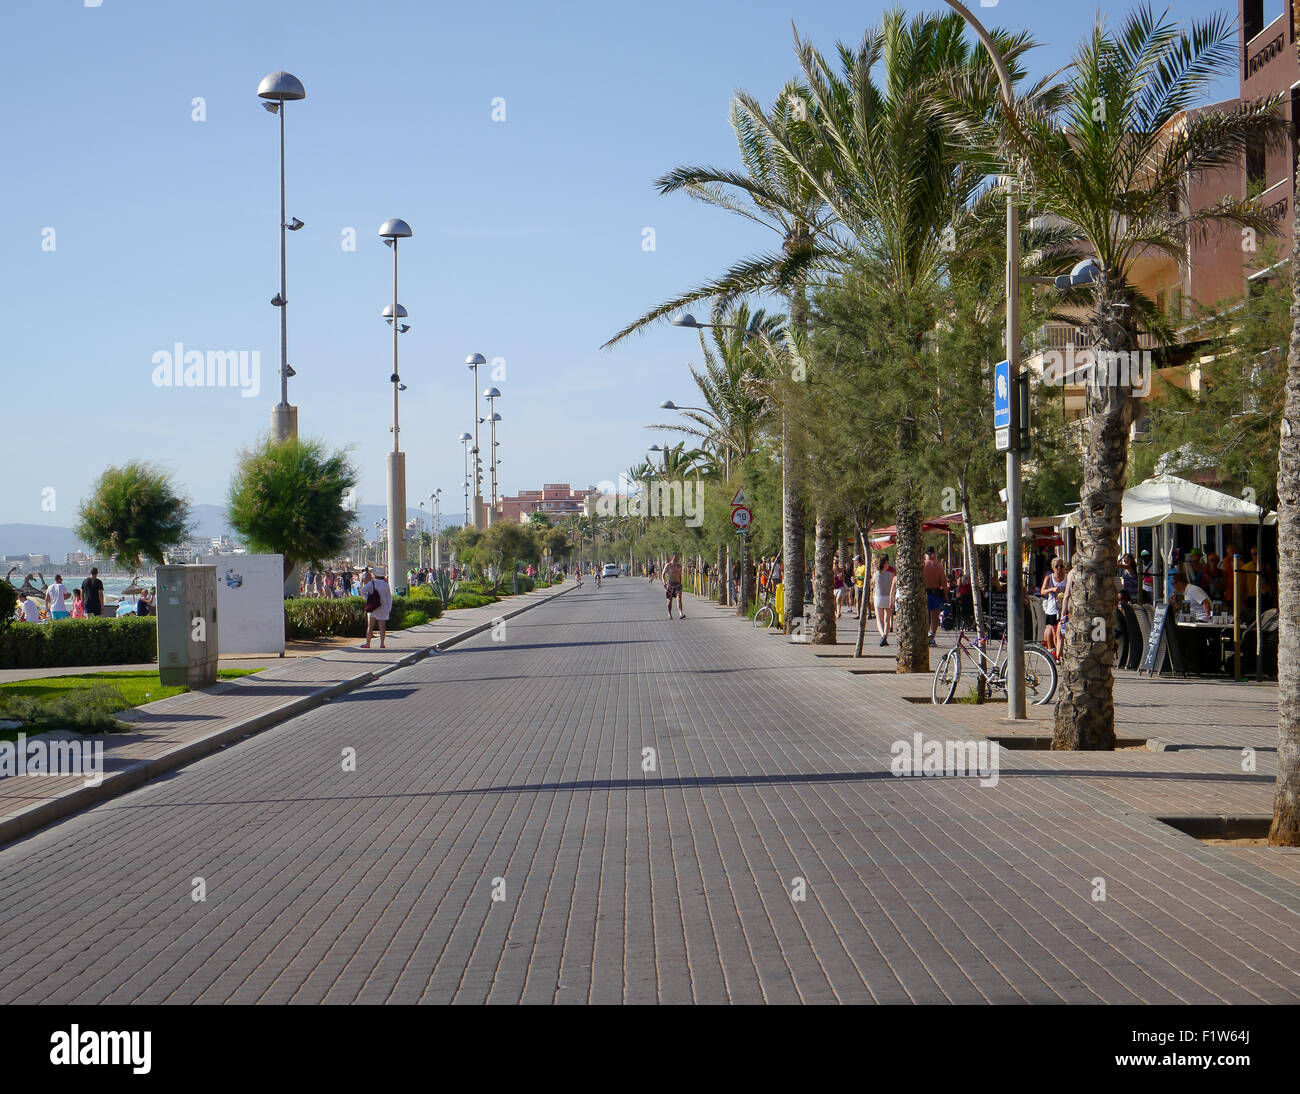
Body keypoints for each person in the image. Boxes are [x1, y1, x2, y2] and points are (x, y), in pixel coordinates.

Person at [1040, 557, 1068, 659]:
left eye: (1061, 566)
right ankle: (1054, 653)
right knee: (1053, 631)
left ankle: (1059, 655)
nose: (1059, 568)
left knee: (1059, 633)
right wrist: (1052, 589)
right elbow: (1042, 591)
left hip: (1064, 609)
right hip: (1052, 609)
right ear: (1052, 567)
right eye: (1057, 566)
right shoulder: (1049, 577)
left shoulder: (1068, 577)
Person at [358, 567, 392, 649]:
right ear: (383, 576)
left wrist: (367, 598)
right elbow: (389, 598)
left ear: (375, 575)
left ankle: (368, 643)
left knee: (370, 626)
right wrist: (388, 609)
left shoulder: (372, 583)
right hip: (383, 607)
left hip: (373, 607)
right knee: (382, 627)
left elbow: (362, 591)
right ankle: (382, 644)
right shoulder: (386, 585)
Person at [922, 546, 947, 647]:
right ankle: (932, 637)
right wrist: (946, 596)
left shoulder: (922, 565)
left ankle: (925, 636)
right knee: (934, 617)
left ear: (925, 554)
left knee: (925, 617)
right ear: (934, 553)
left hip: (924, 593)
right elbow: (944, 583)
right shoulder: (938, 566)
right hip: (935, 593)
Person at [872, 553, 895, 647]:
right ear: (885, 564)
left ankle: (882, 635)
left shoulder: (875, 574)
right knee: (887, 619)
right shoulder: (891, 574)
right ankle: (885, 637)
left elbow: (873, 585)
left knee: (879, 619)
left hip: (878, 597)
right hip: (888, 598)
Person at [663, 553, 685, 619]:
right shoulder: (668, 565)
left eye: (677, 557)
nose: (676, 559)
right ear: (672, 557)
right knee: (669, 600)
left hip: (677, 584)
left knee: (679, 598)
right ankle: (669, 614)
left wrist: (680, 584)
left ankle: (680, 613)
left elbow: (680, 575)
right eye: (675, 557)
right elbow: (663, 574)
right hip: (670, 584)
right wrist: (664, 583)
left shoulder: (679, 566)